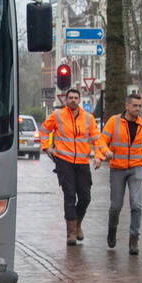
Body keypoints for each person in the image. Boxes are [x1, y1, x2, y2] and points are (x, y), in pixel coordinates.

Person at [41, 88, 111, 246]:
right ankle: (71, 233)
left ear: (79, 100)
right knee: (70, 196)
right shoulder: (57, 115)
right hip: (64, 162)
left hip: (82, 163)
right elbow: (44, 130)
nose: (73, 100)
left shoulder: (88, 118)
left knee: (86, 197)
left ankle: (78, 223)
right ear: (66, 100)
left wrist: (101, 155)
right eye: (70, 97)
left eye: (76, 97)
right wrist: (46, 147)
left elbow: (97, 139)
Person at [100, 92, 142, 255]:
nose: (138, 109)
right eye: (135, 106)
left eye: (139, 106)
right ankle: (112, 230)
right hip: (117, 168)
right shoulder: (113, 122)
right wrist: (105, 151)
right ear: (127, 106)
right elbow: (101, 140)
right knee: (116, 206)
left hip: (136, 168)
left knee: (136, 204)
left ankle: (134, 239)